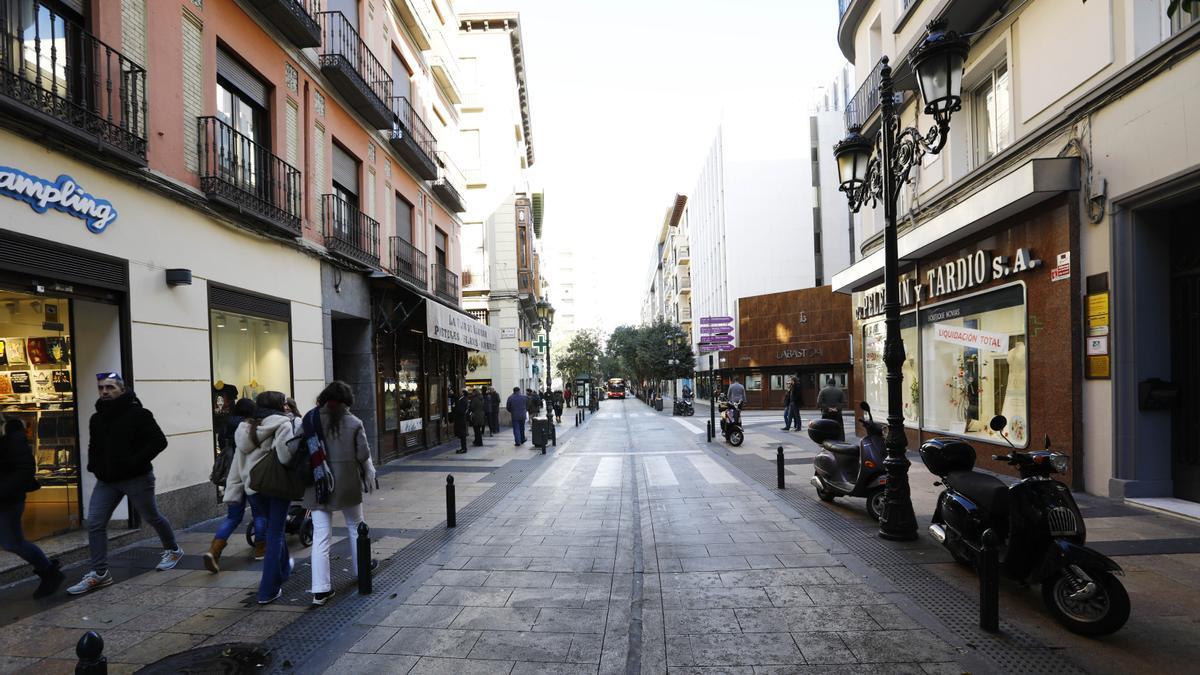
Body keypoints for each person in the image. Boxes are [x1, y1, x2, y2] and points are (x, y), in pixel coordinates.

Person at [68, 373, 181, 595]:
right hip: (107, 480)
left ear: (122, 389)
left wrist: (134, 462)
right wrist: (94, 466)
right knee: (96, 523)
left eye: (110, 387)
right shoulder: (96, 418)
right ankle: (100, 573)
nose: (104, 391)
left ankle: (173, 550)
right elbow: (94, 445)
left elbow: (159, 442)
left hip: (137, 478)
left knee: (151, 517)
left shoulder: (138, 414)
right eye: (101, 387)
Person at [304, 381, 377, 607]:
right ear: (347, 401)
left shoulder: (309, 420)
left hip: (317, 485)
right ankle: (361, 569)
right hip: (347, 484)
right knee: (356, 526)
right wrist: (369, 474)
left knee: (321, 536)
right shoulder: (354, 422)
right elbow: (363, 454)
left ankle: (320, 590)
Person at [236, 390, 299, 605]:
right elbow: (285, 456)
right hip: (276, 485)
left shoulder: (244, 426)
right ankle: (268, 590)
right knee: (275, 534)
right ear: (277, 405)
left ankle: (282, 570)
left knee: (274, 529)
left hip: (253, 487)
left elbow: (239, 460)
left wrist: (235, 489)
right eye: (283, 403)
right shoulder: (282, 424)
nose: (285, 406)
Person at [0, 413, 64, 598]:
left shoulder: (13, 440)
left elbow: (25, 469)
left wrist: (3, 490)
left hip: (8, 500)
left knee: (13, 542)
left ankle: (49, 572)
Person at [203, 398, 267, 573]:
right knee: (259, 514)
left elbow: (221, 445)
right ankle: (261, 549)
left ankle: (214, 551)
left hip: (234, 475)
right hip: (251, 475)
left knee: (232, 517)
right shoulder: (253, 427)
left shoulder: (227, 425)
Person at [453, 389, 470, 454]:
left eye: (461, 392)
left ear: (463, 393)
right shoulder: (463, 398)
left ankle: (464, 449)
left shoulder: (463, 400)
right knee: (462, 434)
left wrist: (455, 408)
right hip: (461, 418)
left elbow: (461, 410)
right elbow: (457, 398)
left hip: (461, 419)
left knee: (462, 434)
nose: (459, 392)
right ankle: (463, 448)